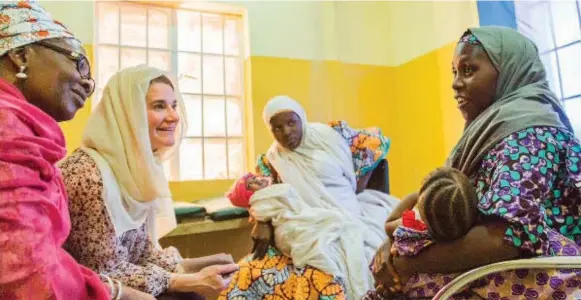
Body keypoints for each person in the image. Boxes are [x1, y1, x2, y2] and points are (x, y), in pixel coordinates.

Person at [372, 26, 581, 299]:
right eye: (455, 72)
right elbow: (442, 208)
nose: (456, 83)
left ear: (509, 71)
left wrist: (404, 263)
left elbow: (505, 239)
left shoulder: (530, 136)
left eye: (469, 70)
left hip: (533, 274)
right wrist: (390, 246)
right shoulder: (492, 133)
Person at [0, 1, 156, 299]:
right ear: (21, 55)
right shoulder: (9, 126)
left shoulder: (28, 134)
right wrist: (116, 292)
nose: (87, 83)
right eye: (79, 63)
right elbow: (27, 275)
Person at [59, 65, 238, 299]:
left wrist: (189, 267)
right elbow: (102, 273)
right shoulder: (88, 175)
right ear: (128, 114)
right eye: (159, 106)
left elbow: (142, 252)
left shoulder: (137, 165)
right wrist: (184, 279)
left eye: (173, 105)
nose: (174, 116)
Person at [219, 96, 399, 300]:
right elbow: (267, 195)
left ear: (301, 119)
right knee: (251, 272)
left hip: (352, 213)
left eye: (291, 122)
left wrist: (356, 186)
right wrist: (262, 221)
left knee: (371, 250)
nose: (286, 132)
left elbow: (377, 142)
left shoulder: (331, 135)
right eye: (277, 128)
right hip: (309, 221)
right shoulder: (272, 160)